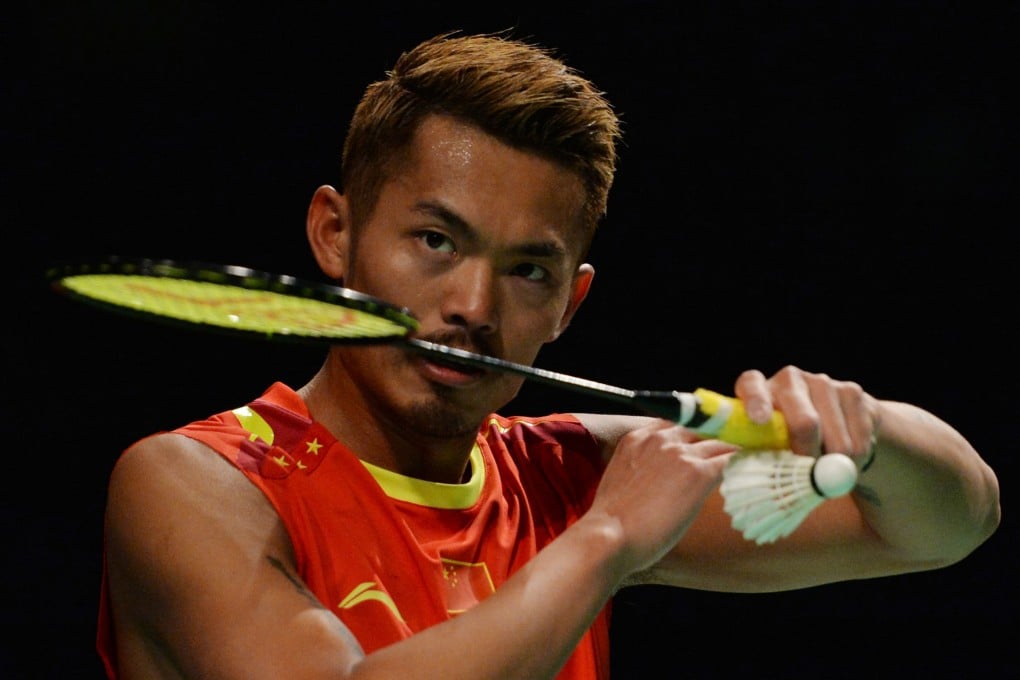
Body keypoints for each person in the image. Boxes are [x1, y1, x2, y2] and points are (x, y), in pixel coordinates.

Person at [96, 31, 1000, 679]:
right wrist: (607, 541)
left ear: (570, 303)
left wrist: (869, 432)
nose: (473, 307)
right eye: (436, 243)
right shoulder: (194, 483)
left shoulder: (564, 475)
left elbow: (950, 522)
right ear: (335, 235)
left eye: (528, 269)